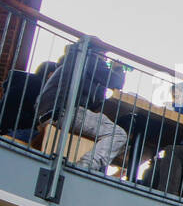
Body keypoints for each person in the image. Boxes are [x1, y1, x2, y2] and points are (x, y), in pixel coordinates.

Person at [33, 36, 130, 175]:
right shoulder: (89, 58)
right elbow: (115, 81)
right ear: (96, 51)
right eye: (103, 54)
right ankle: (86, 166)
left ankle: (90, 164)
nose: (105, 59)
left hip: (49, 112)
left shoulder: (73, 60)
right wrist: (118, 69)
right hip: (64, 111)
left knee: (102, 125)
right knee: (118, 134)